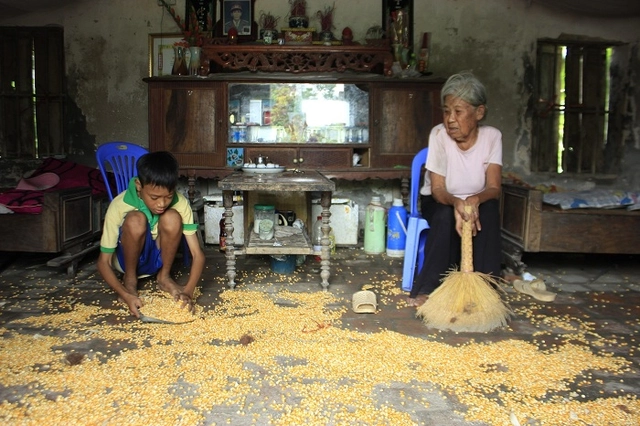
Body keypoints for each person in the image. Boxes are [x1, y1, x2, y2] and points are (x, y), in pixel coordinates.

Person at [407, 72, 503, 307]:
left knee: (489, 211)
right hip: (441, 200)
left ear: (478, 112)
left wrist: (474, 200)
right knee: (443, 215)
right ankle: (432, 288)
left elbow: (494, 187)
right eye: (446, 111)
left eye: (458, 112)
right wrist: (456, 203)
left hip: (476, 201)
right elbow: (438, 189)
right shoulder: (439, 135)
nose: (450, 119)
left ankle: (485, 290)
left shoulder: (492, 137)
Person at [97, 151, 205, 317]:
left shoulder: (181, 203)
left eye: (168, 196)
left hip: (156, 262)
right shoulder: (120, 204)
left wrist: (188, 292)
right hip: (125, 262)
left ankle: (164, 277)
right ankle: (130, 280)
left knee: (172, 217)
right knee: (136, 220)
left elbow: (198, 254)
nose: (161, 203)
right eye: (154, 197)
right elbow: (103, 262)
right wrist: (125, 295)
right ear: (139, 186)